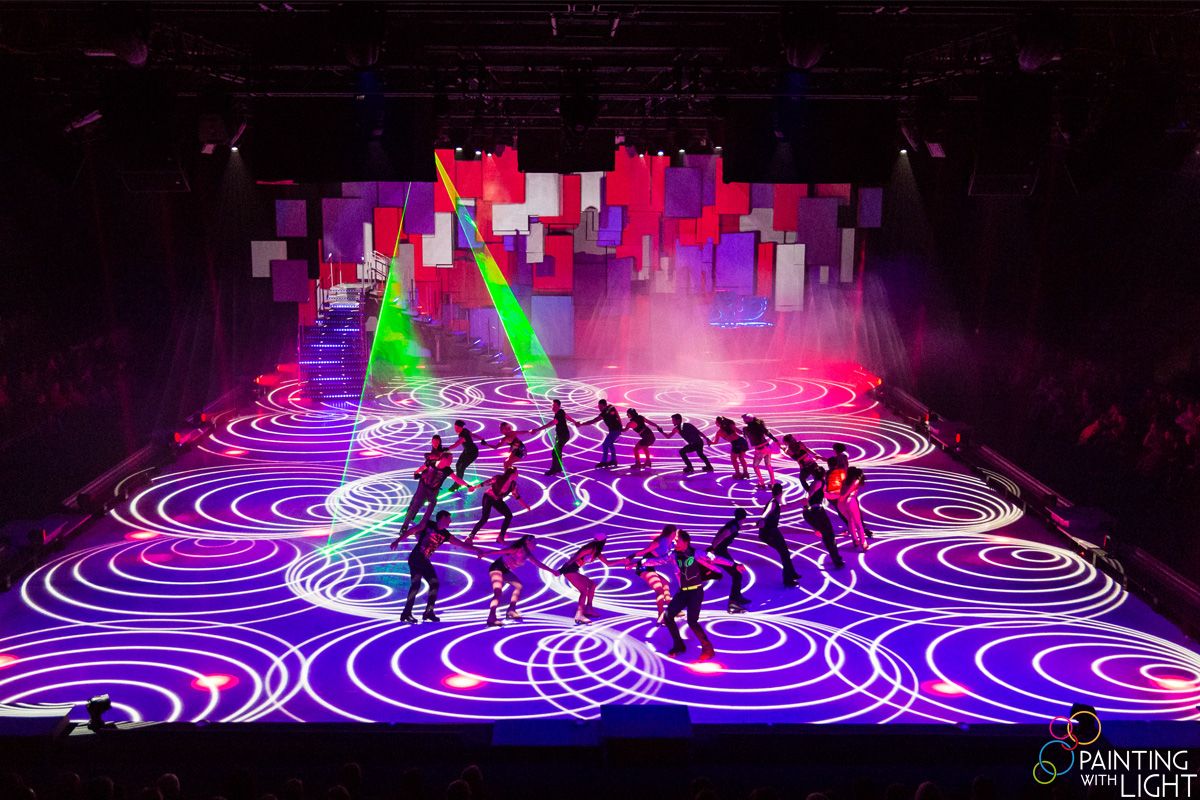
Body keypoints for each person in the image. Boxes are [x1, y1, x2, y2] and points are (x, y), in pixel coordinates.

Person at [389, 509, 479, 623]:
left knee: (417, 585)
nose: (450, 521)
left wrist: (476, 549)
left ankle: (408, 613)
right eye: (448, 519)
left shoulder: (445, 534)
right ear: (442, 518)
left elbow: (460, 544)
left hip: (420, 559)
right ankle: (426, 612)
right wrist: (397, 541)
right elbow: (412, 530)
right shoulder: (428, 524)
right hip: (417, 557)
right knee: (433, 583)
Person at [663, 530, 734, 661]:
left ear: (686, 542)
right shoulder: (673, 555)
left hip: (695, 592)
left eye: (676, 540)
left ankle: (708, 649)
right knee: (668, 616)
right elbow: (659, 561)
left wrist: (734, 564)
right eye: (673, 540)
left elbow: (715, 558)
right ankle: (679, 645)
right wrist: (639, 563)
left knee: (692, 621)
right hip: (683, 592)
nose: (674, 542)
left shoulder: (696, 553)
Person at [474, 535, 558, 626]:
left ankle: (511, 610)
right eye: (534, 542)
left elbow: (539, 564)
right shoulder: (518, 549)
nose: (535, 544)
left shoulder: (528, 554)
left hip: (505, 570)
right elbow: (500, 551)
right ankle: (491, 617)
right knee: (498, 592)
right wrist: (485, 554)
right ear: (527, 542)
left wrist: (552, 571)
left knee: (519, 586)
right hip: (497, 568)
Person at [401, 451, 471, 532]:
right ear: (444, 459)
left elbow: (457, 479)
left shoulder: (447, 470)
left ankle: (423, 524)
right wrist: (416, 472)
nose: (451, 461)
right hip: (423, 487)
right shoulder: (431, 463)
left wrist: (468, 485)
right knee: (415, 505)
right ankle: (404, 526)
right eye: (450, 459)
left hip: (433, 491)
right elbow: (423, 467)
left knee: (431, 506)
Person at [622, 525, 678, 624]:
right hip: (643, 567)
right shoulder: (660, 541)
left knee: (665, 584)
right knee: (659, 589)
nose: (675, 535)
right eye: (674, 533)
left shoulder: (670, 543)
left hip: (650, 567)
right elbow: (645, 551)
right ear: (671, 533)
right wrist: (632, 557)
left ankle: (672, 608)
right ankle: (661, 616)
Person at [465, 465, 530, 543]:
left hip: (497, 500)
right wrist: (474, 487)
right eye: (516, 473)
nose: (517, 475)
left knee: (509, 515)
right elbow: (485, 483)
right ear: (512, 474)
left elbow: (516, 495)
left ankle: (500, 537)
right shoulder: (498, 478)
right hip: (488, 497)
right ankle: (471, 536)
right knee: (485, 518)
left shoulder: (513, 485)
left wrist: (525, 505)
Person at [560, 533, 614, 624]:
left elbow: (608, 563)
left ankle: (589, 608)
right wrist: (561, 570)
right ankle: (579, 615)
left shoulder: (596, 551)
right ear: (603, 541)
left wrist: (624, 561)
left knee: (592, 584)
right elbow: (573, 559)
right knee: (583, 591)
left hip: (573, 570)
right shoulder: (590, 548)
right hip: (569, 570)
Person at [756, 483, 800, 587]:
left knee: (785, 552)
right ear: (781, 492)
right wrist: (762, 519)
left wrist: (797, 503)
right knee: (784, 553)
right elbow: (767, 512)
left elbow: (783, 507)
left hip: (772, 531)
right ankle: (788, 579)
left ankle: (791, 573)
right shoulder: (773, 503)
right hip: (770, 532)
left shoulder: (774, 502)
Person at [800, 465, 845, 568]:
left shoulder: (819, 483)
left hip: (816, 511)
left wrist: (838, 495)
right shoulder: (819, 483)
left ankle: (836, 558)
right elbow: (809, 495)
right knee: (829, 536)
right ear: (823, 474)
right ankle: (836, 560)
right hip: (816, 512)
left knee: (828, 535)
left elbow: (824, 494)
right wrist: (806, 507)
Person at [709, 509, 751, 612]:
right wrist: (713, 548)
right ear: (744, 518)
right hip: (719, 553)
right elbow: (721, 536)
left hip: (721, 551)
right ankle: (733, 602)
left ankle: (736, 597)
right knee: (737, 574)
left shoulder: (734, 525)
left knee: (737, 574)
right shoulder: (733, 527)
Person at [527, 398, 580, 476]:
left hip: (563, 436)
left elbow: (550, 424)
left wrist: (537, 429)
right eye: (552, 405)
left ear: (558, 406)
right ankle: (558, 468)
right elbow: (567, 417)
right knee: (558, 451)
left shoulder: (559, 414)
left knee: (555, 452)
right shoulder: (561, 411)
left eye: (555, 405)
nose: (553, 407)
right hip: (561, 435)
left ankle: (554, 469)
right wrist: (575, 422)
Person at [579, 398, 623, 468]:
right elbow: (617, 416)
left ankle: (605, 461)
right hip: (615, 430)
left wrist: (582, 424)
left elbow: (593, 421)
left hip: (615, 430)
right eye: (599, 406)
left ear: (604, 405)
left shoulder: (604, 413)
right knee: (609, 444)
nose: (599, 408)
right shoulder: (611, 407)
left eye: (600, 406)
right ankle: (613, 460)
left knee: (605, 444)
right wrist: (621, 426)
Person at [741, 414, 780, 490]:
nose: (743, 420)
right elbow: (768, 433)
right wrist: (775, 440)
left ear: (747, 420)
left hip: (760, 449)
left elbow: (745, 438)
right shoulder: (759, 425)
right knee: (768, 465)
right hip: (767, 447)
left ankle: (761, 483)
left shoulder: (746, 429)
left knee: (755, 466)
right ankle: (773, 483)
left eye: (744, 419)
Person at [446, 421, 489, 489]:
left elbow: (456, 444)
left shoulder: (463, 436)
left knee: (461, 467)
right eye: (455, 427)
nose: (455, 429)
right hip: (466, 451)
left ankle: (457, 484)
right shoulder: (465, 430)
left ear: (461, 427)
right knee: (458, 465)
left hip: (472, 453)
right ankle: (458, 482)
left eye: (457, 427)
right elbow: (472, 435)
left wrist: (447, 448)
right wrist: (481, 438)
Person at [838, 466, 869, 551]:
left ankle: (855, 540)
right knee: (858, 523)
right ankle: (863, 543)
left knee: (850, 521)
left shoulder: (844, 481)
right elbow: (849, 490)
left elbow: (842, 492)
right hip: (850, 501)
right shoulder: (855, 481)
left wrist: (841, 498)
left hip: (841, 504)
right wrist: (844, 497)